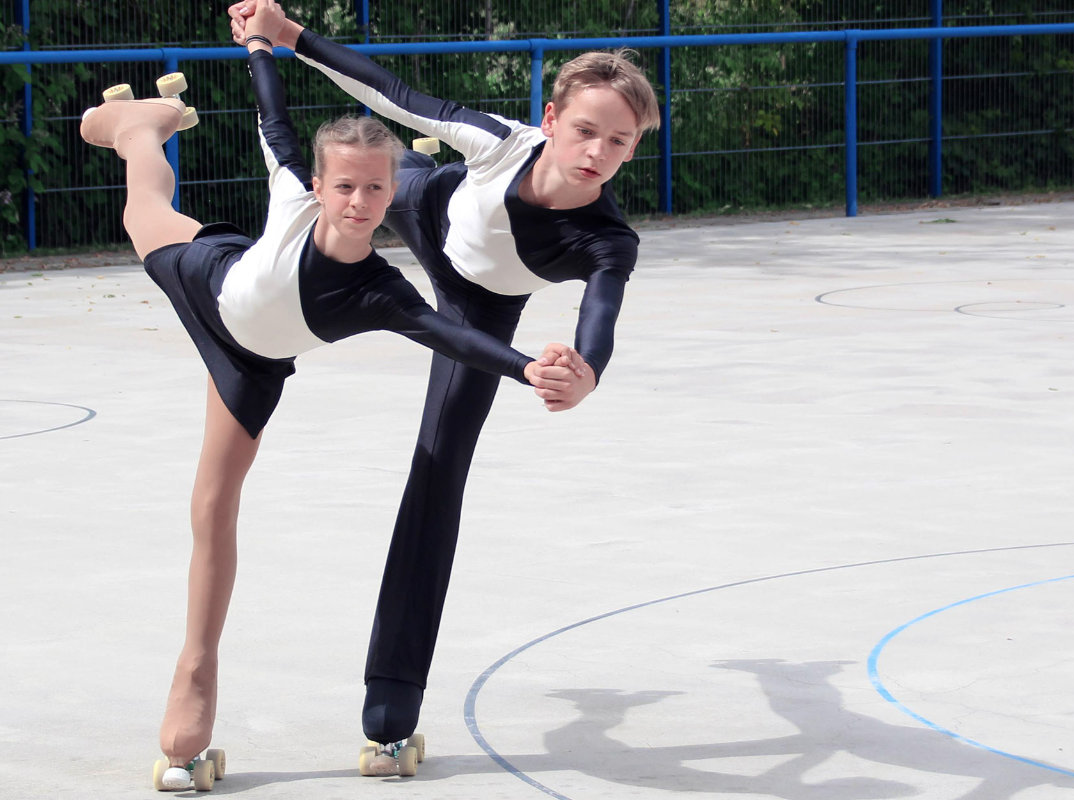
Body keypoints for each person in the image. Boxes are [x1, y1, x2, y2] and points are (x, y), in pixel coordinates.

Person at [81, 0, 583, 787]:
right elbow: (273, 114)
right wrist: (259, 44)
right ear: (318, 184)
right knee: (146, 211)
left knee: (212, 504)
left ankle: (195, 674)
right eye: (344, 185)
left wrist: (525, 369)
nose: (358, 202)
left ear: (392, 192)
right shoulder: (291, 185)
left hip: (249, 366)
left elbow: (452, 336)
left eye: (375, 189)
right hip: (209, 282)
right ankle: (139, 130)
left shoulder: (382, 292)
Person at [229, 3, 661, 752]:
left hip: (479, 306)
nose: (597, 151)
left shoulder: (607, 239)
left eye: (618, 141)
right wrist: (291, 36)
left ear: (633, 148)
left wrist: (586, 373)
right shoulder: (503, 142)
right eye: (585, 130)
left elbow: (600, 315)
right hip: (423, 204)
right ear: (551, 120)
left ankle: (390, 701)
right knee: (372, 174)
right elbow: (391, 93)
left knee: (439, 469)